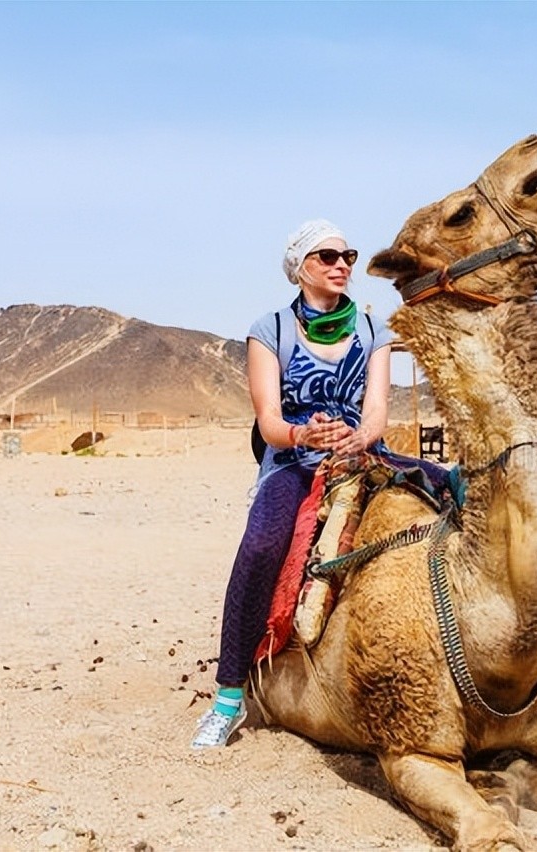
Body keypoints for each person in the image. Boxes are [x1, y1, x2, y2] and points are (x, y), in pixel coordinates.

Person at [192, 219, 395, 749]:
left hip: (359, 451)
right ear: (300, 268)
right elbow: (269, 423)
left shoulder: (374, 331)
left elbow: (376, 410)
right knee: (261, 546)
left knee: (449, 499)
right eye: (327, 256)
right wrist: (305, 432)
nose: (342, 264)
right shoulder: (271, 331)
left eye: (347, 254)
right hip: (294, 459)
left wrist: (359, 436)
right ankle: (229, 696)